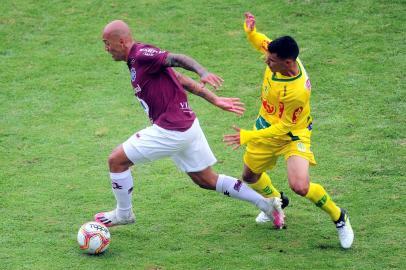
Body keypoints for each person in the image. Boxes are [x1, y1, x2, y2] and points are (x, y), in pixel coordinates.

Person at [94, 20, 284, 229]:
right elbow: (180, 78)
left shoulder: (141, 55)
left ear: (121, 42)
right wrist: (215, 100)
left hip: (170, 129)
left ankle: (123, 214)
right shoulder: (138, 59)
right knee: (207, 180)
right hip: (188, 127)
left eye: (107, 43)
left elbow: (177, 59)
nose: (106, 49)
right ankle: (267, 205)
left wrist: (202, 72)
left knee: (116, 161)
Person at [223, 12, 354, 248]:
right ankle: (276, 201)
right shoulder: (277, 56)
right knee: (250, 176)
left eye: (271, 60)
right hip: (266, 127)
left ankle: (339, 216)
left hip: (293, 134)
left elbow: (283, 127)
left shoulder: (297, 92)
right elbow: (261, 42)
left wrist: (247, 136)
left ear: (288, 63)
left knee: (300, 186)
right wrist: (250, 32)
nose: (266, 61)